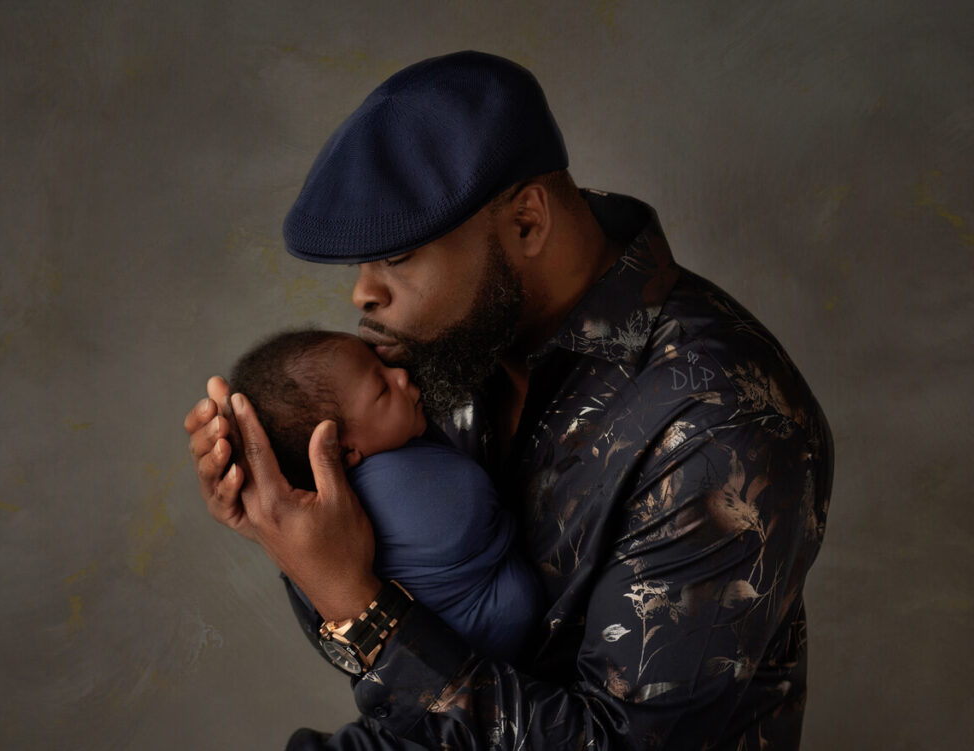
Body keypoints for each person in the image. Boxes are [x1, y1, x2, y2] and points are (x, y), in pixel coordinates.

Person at [184, 51, 833, 750]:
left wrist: (358, 606)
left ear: (526, 222)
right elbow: (408, 619)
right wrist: (285, 509)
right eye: (361, 262)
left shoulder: (720, 420)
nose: (362, 293)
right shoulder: (452, 348)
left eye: (397, 257)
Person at [228, 329, 542, 663]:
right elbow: (476, 498)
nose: (402, 375)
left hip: (452, 673)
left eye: (384, 366)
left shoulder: (320, 515)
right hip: (490, 652)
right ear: (340, 448)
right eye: (382, 389)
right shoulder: (397, 485)